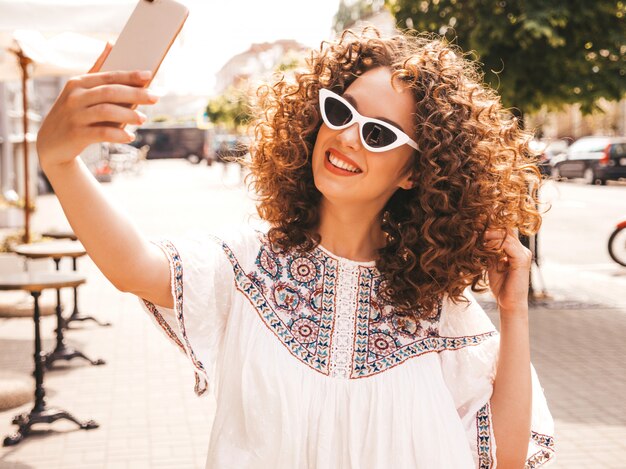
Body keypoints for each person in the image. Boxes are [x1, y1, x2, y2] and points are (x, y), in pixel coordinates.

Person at [37, 28, 555, 469]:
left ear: (415, 173)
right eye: (340, 111)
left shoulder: (436, 308)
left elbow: (502, 458)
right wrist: (59, 161)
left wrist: (514, 313)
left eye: (378, 134)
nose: (348, 136)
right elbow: (133, 268)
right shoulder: (246, 265)